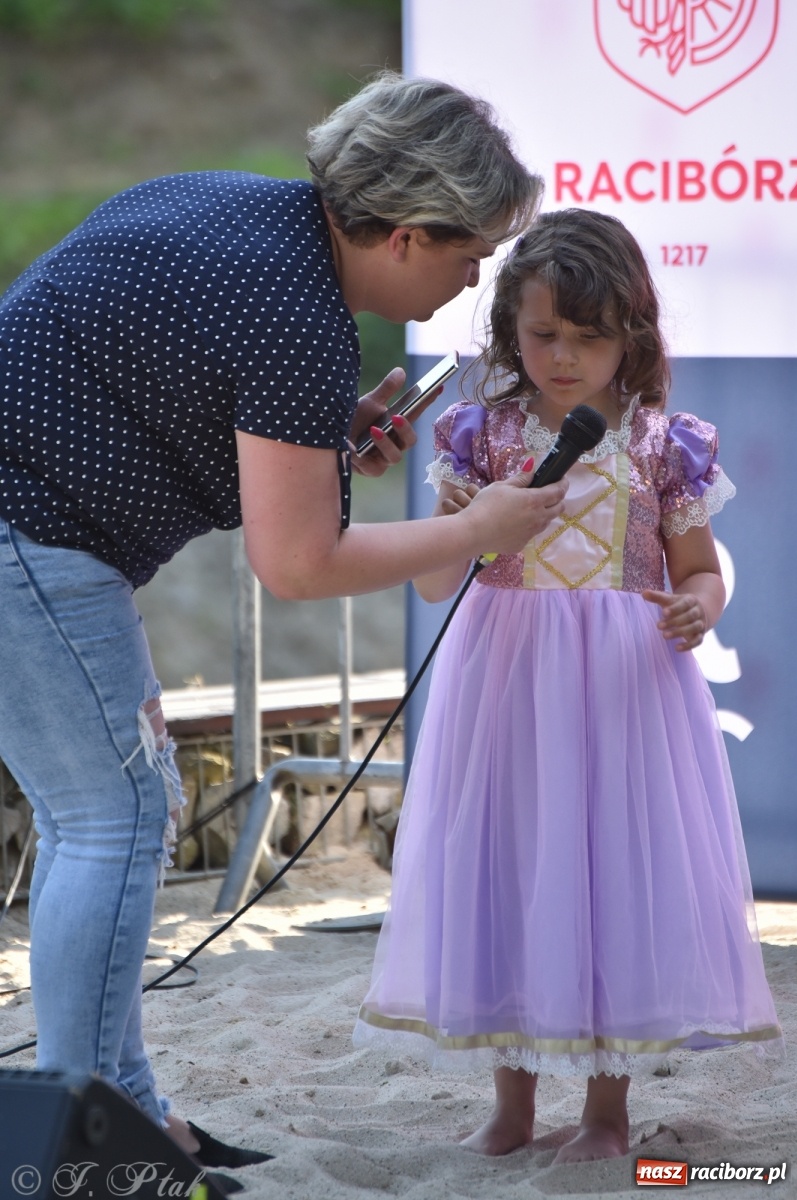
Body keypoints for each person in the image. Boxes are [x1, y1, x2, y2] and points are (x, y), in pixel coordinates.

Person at [0, 70, 568, 1172]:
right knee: (111, 819)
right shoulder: (292, 310)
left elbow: (171, 374)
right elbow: (300, 565)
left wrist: (321, 429)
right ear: (406, 234)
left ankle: (127, 1114)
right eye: (471, 254)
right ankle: (77, 1147)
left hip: (27, 522)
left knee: (111, 813)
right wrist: (478, 525)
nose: (474, 281)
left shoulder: (238, 213)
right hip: (27, 533)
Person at [353, 208, 783, 1164]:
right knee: (515, 868)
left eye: (587, 338)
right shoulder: (475, 436)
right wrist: (459, 522)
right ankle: (511, 1105)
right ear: (509, 326)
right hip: (503, 682)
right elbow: (431, 583)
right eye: (542, 334)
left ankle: (604, 1111)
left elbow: (699, 568)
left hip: (624, 690)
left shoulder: (664, 444)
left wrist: (700, 608)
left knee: (607, 876)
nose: (561, 357)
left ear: (630, 336)